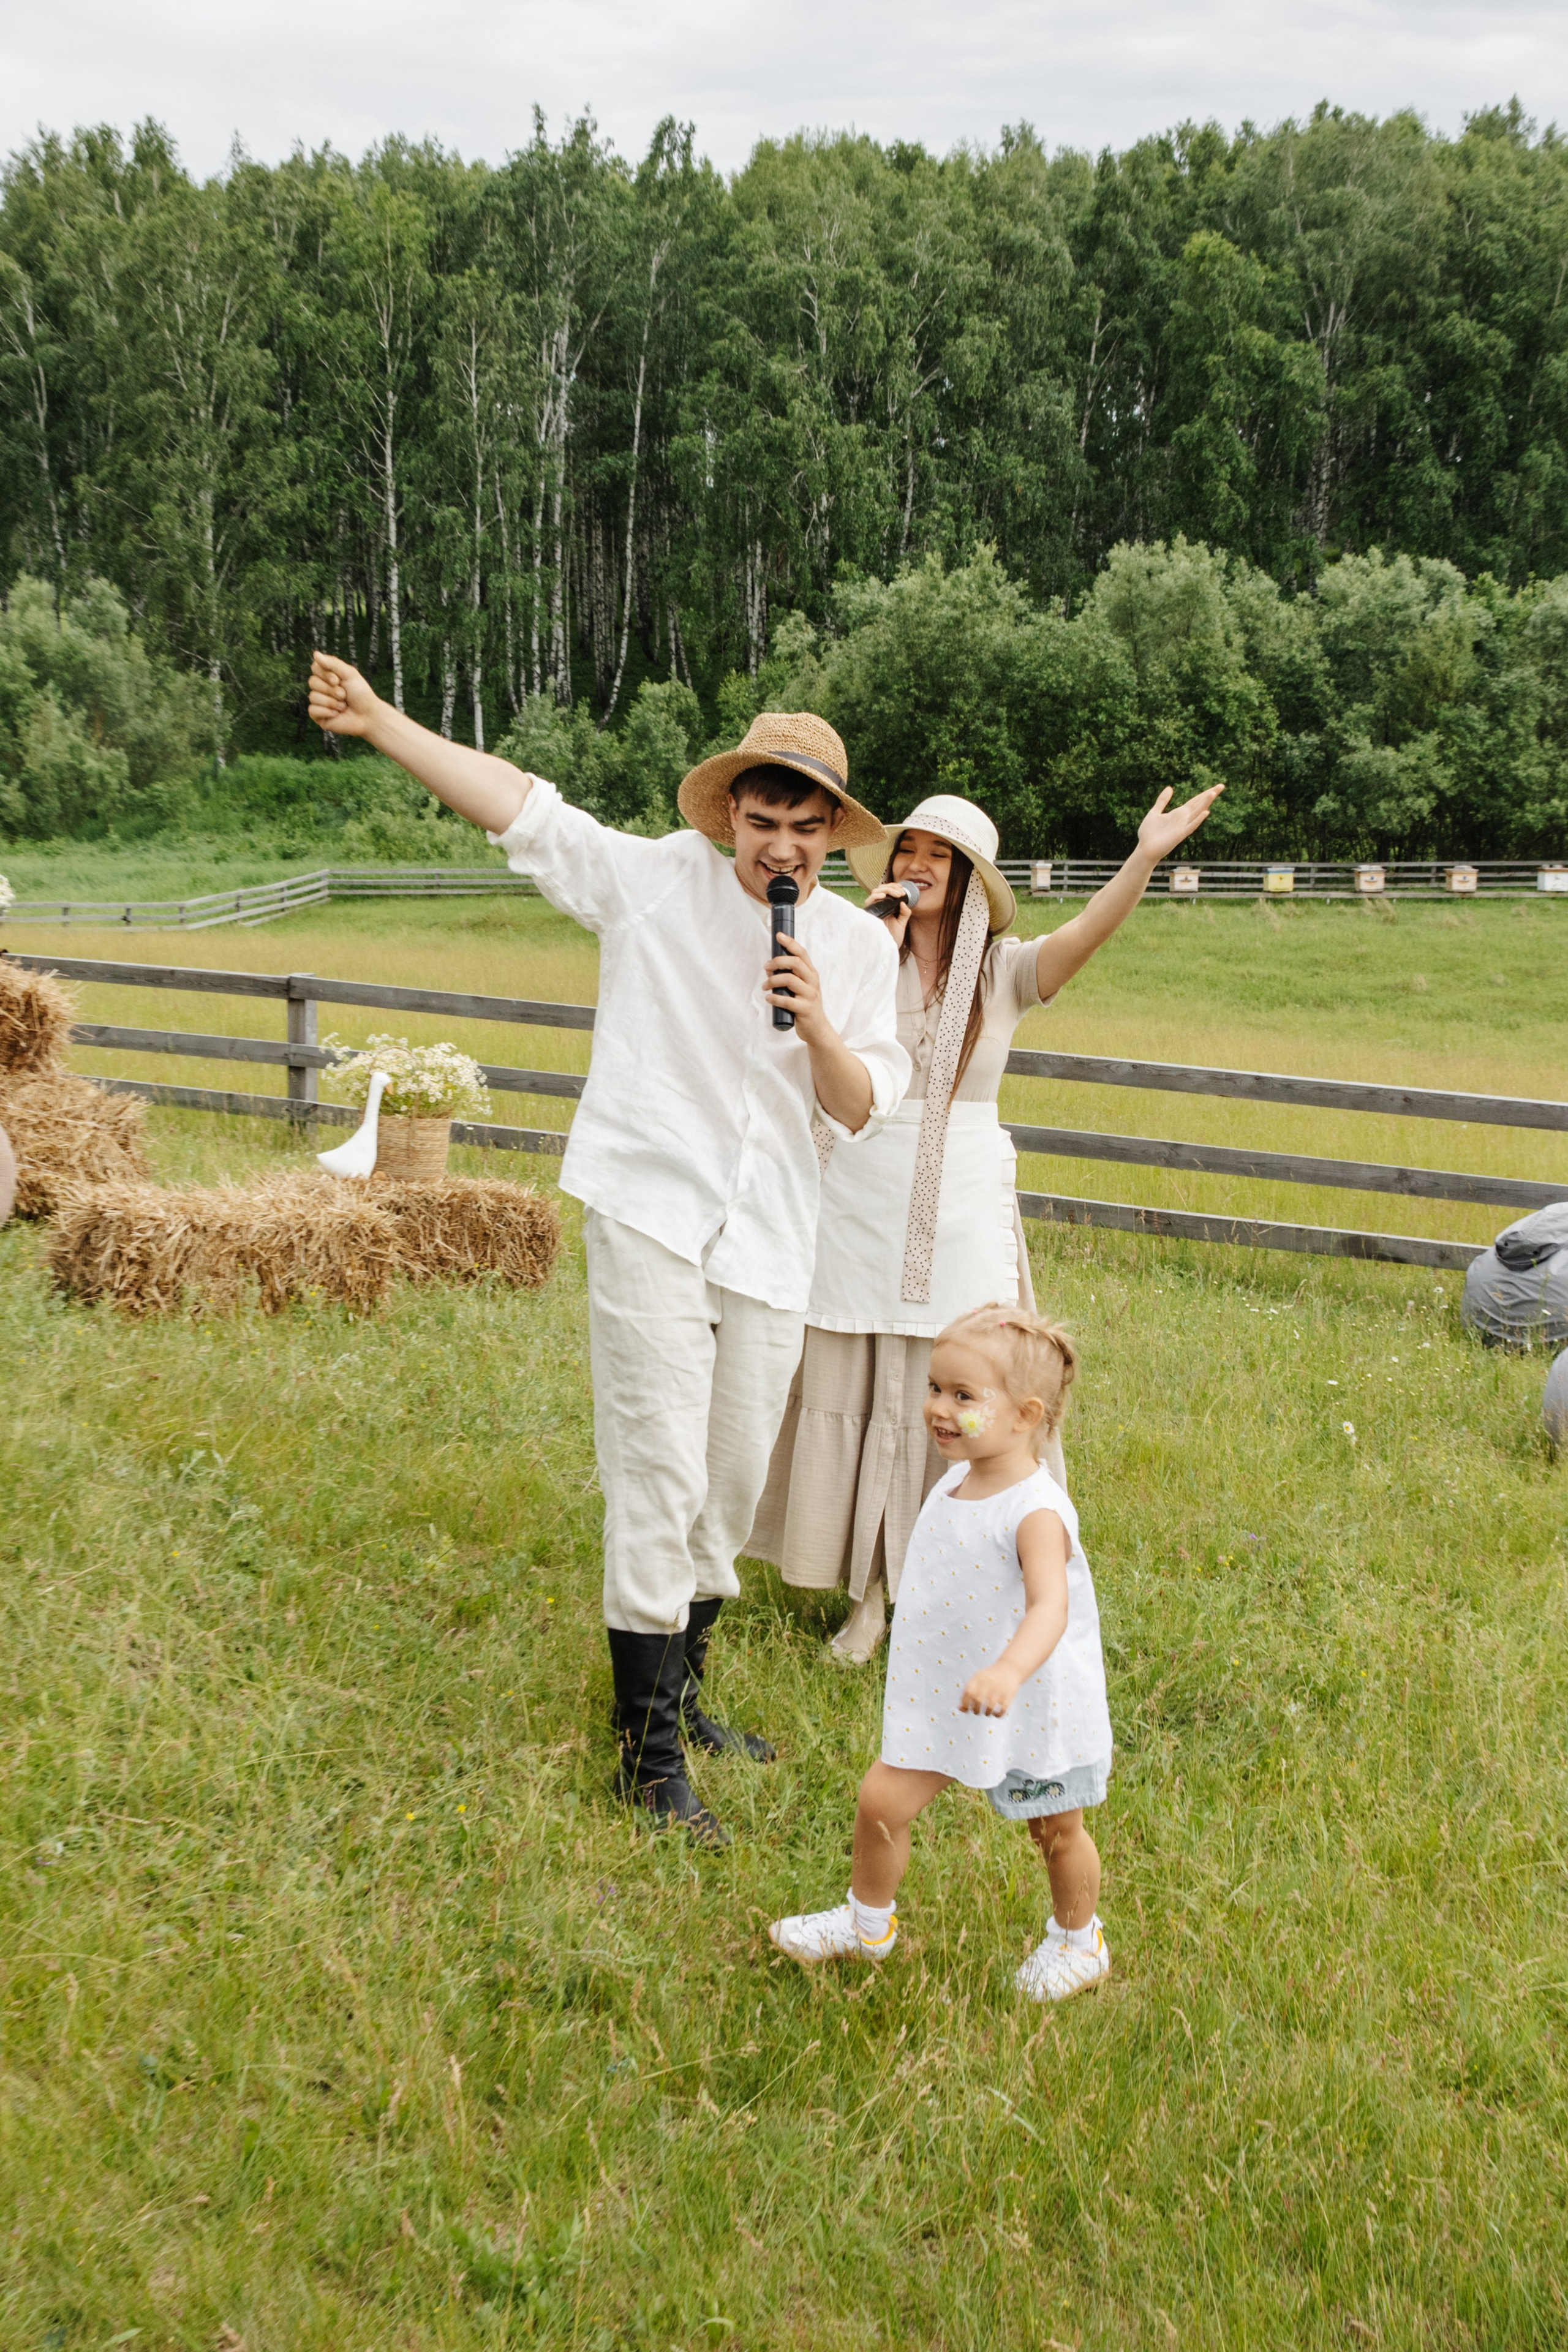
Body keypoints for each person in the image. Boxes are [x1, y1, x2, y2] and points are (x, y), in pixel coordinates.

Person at [306, 654, 910, 1846]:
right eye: (760, 819)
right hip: (646, 1206)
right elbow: (520, 804)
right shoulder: (653, 882)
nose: (777, 847)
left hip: (770, 1239)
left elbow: (855, 1105)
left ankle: (680, 1695)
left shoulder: (856, 949)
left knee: (728, 1485)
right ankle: (646, 1757)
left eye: (803, 827)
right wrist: (383, 723)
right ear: (727, 811)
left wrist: (820, 1022)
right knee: (658, 1472)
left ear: (833, 834)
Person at [749, 784, 1220, 1664]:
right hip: (859, 1190)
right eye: (908, 849)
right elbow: (806, 1038)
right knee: (877, 1390)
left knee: (959, 1392)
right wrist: (873, 941)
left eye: (938, 854)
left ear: (968, 877)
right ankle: (870, 1600)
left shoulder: (1004, 973)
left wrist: (1145, 855)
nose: (915, 865)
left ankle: (962, 1587)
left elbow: (1087, 935)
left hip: (959, 1203)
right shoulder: (855, 948)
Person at [769, 1302, 1114, 2002]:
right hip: (949, 1692)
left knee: (1054, 1829)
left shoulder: (1034, 1510)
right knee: (879, 1801)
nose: (939, 1408)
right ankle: (868, 1928)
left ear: (1025, 1415)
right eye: (935, 1388)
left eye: (964, 1396)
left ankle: (1080, 1943)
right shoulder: (956, 1480)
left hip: (1027, 1703)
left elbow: (1052, 1605)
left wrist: (1009, 1670)